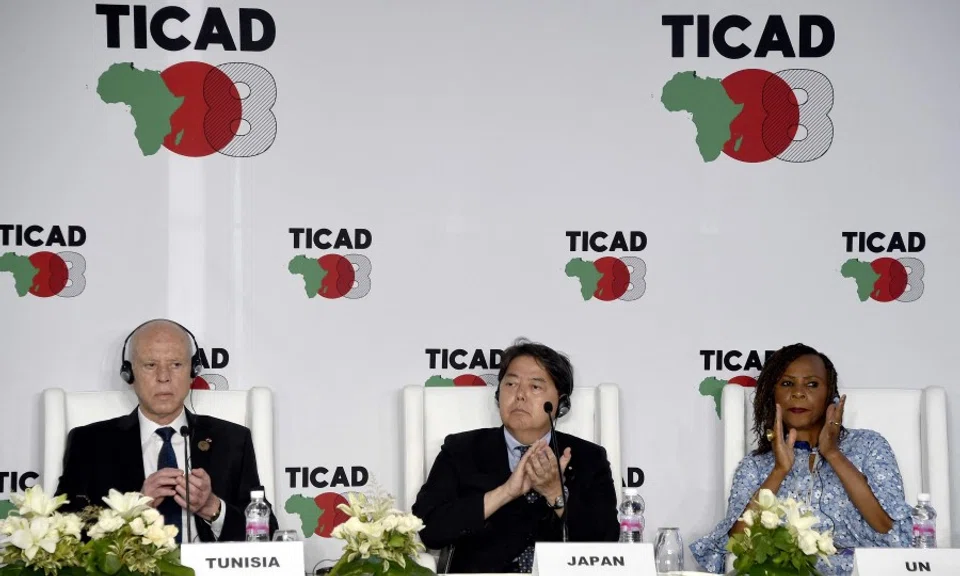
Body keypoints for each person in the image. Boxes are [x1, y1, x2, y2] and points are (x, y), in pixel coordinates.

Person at [690, 343, 912, 576]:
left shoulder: (869, 446)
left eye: (812, 384)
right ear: (771, 395)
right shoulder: (755, 466)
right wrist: (779, 470)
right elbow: (735, 546)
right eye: (787, 383)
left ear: (831, 396)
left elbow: (892, 532)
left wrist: (833, 454)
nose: (798, 393)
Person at [55, 319, 279, 542]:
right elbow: (63, 532)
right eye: (150, 365)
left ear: (193, 370)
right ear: (129, 373)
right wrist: (134, 512)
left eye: (176, 364)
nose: (164, 377)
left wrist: (212, 507)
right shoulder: (89, 443)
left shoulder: (231, 440)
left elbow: (267, 533)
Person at [412, 338, 620, 573]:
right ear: (498, 395)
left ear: (561, 404)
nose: (520, 395)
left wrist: (555, 494)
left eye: (535, 387)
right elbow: (429, 529)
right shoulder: (461, 450)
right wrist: (506, 492)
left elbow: (607, 543)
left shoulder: (588, 458)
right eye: (510, 384)